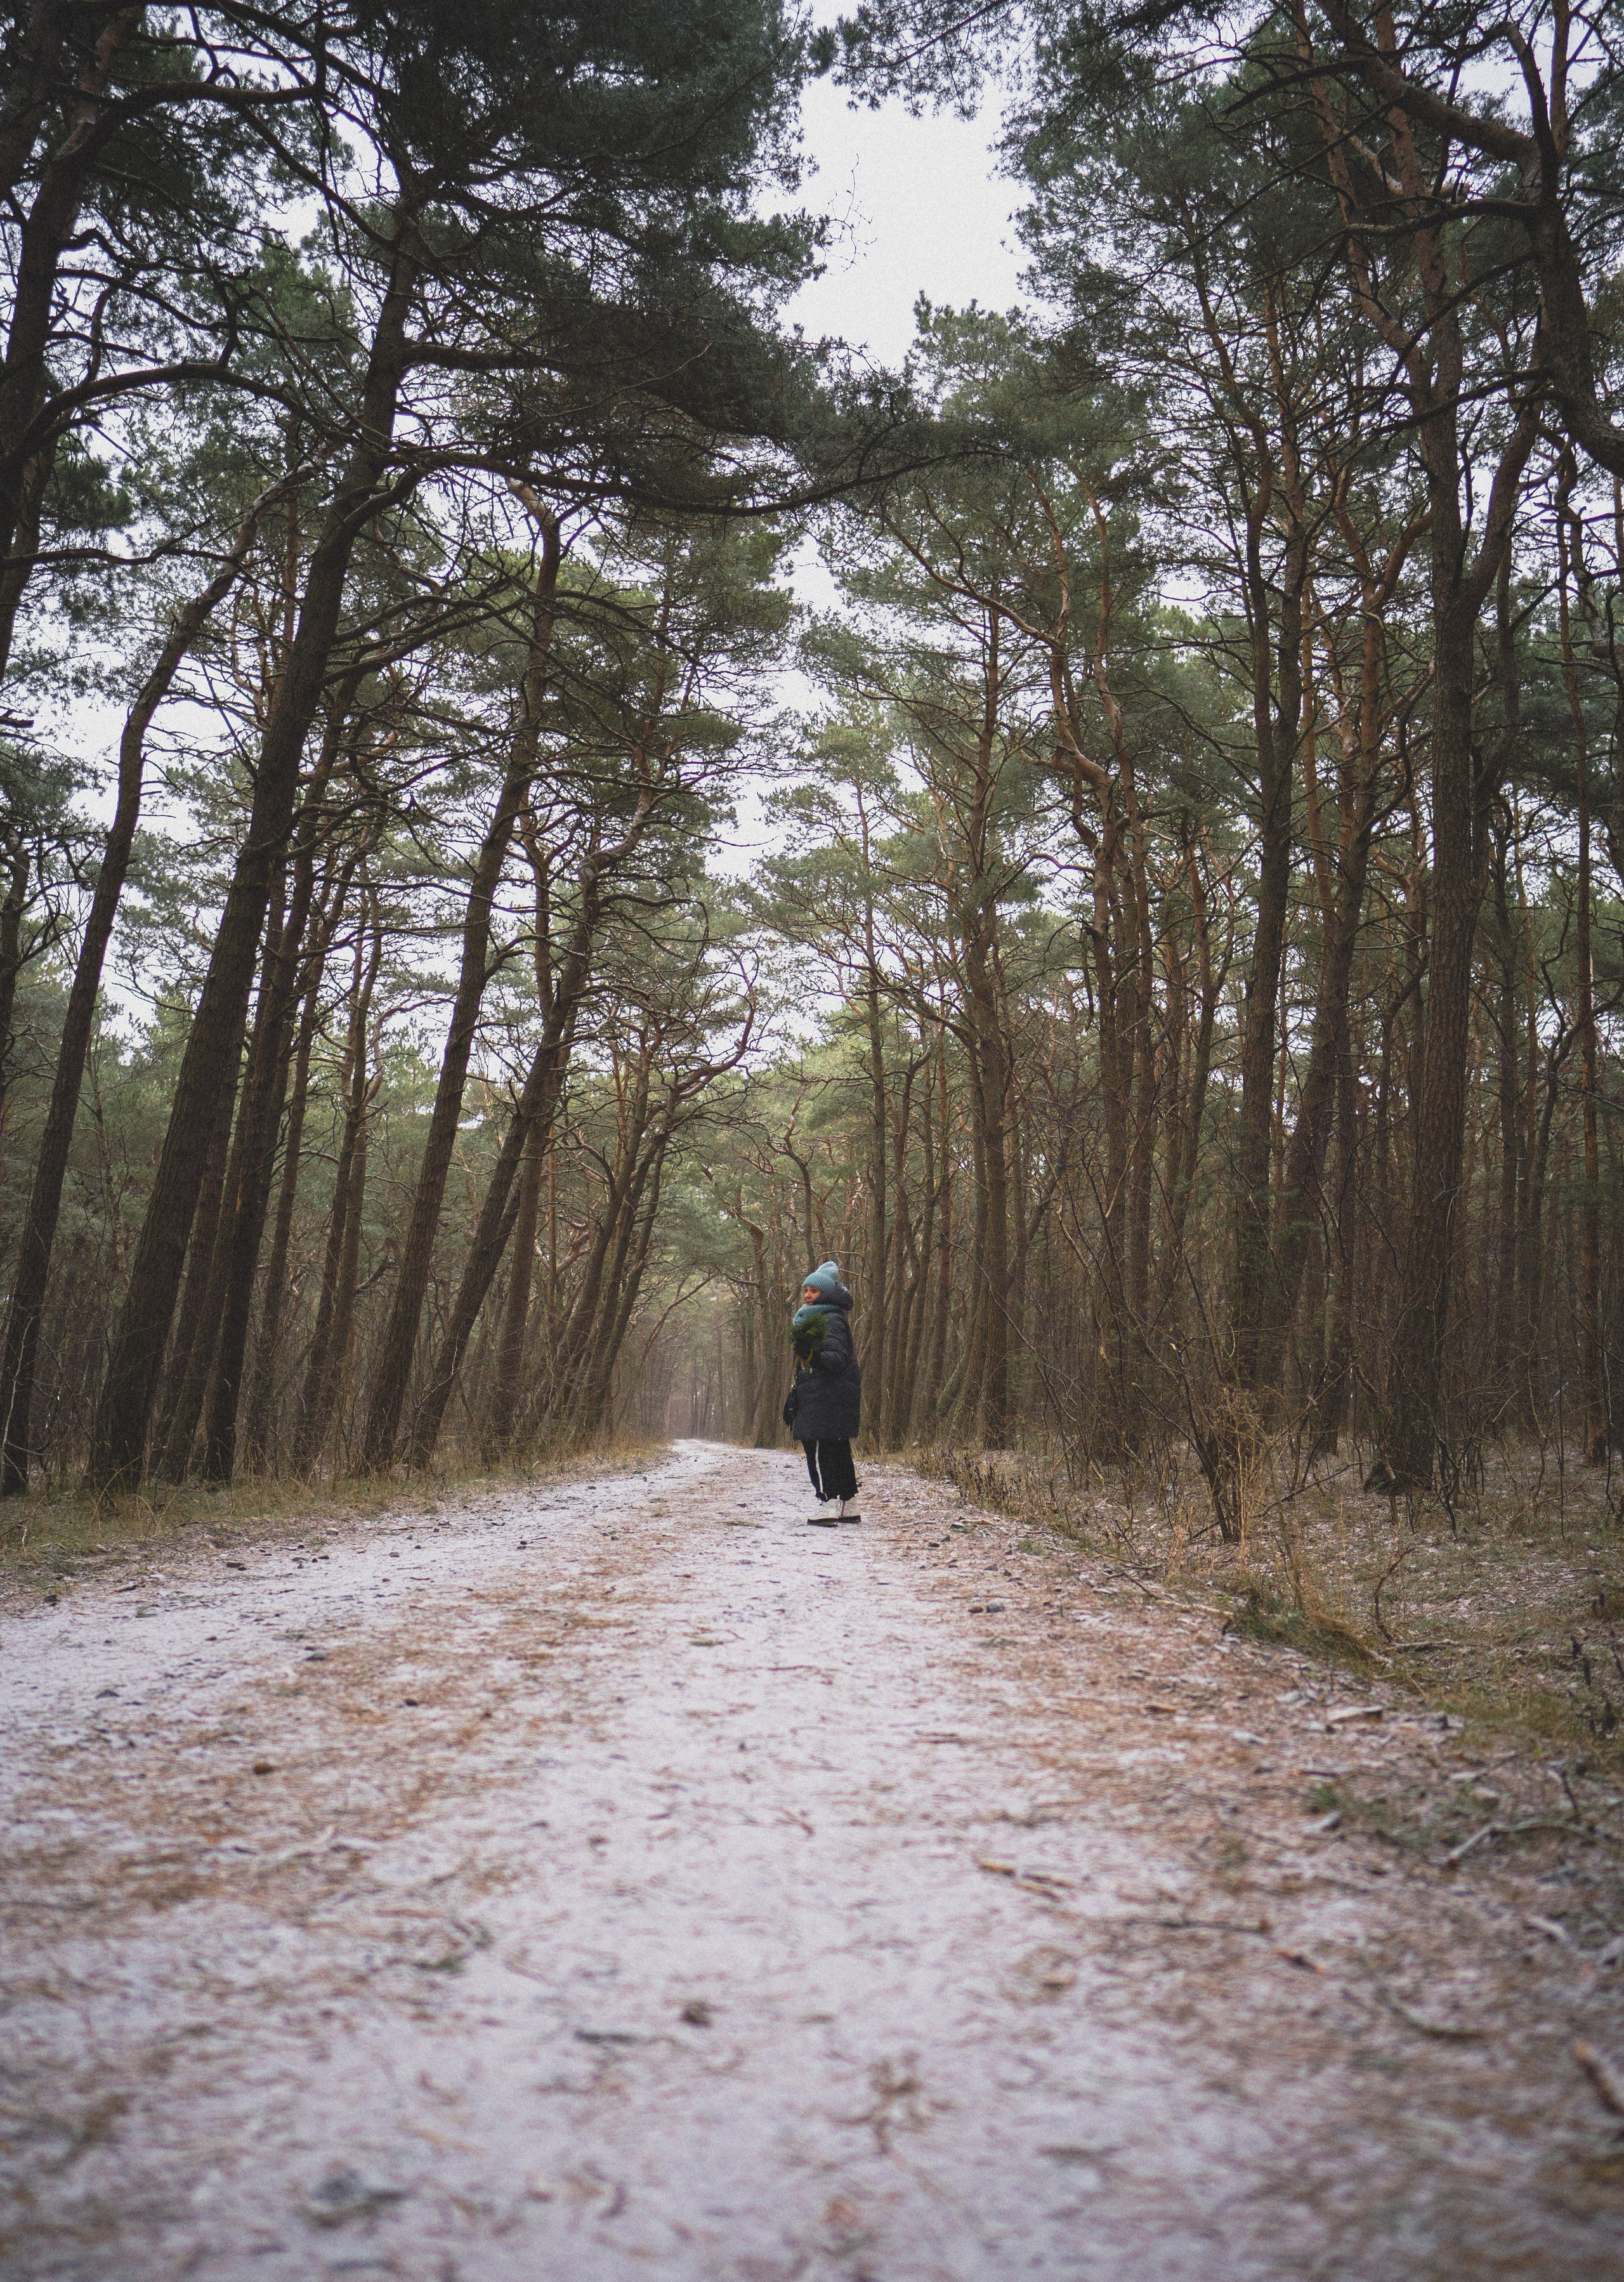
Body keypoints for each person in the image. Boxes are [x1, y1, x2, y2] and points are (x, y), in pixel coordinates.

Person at [782, 1260, 861, 1525]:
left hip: (828, 1396)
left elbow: (836, 1359)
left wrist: (812, 1355)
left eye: (813, 1291)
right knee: (837, 1448)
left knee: (823, 1450)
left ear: (825, 1294)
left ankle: (829, 1504)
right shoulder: (828, 1317)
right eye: (806, 1289)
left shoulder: (829, 1319)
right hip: (829, 1395)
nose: (807, 1295)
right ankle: (849, 1505)